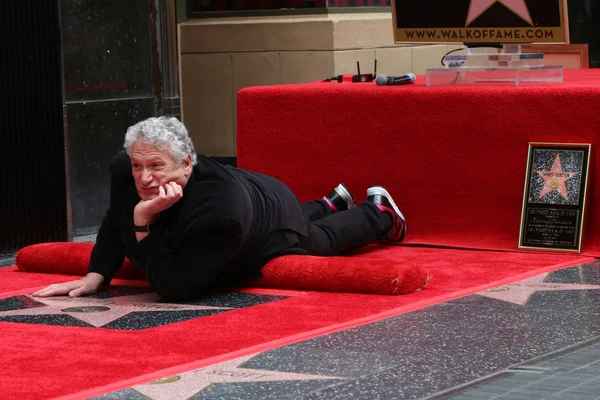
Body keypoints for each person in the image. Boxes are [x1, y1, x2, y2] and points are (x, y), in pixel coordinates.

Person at [33, 117, 406, 301]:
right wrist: (97, 273)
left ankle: (378, 213)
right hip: (246, 193)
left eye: (156, 167)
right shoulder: (124, 166)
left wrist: (142, 222)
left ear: (186, 163)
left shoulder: (222, 214)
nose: (144, 178)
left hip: (269, 212)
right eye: (137, 166)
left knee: (316, 241)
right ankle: (328, 203)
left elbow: (173, 286)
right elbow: (114, 220)